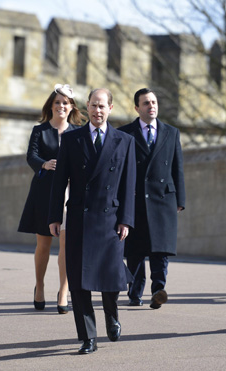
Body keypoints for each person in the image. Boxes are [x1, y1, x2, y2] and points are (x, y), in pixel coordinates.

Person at [48, 88, 137, 354]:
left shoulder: (124, 141)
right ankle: (88, 337)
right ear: (86, 107)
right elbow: (60, 179)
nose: (98, 111)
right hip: (79, 218)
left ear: (110, 108)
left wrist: (126, 220)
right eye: (94, 105)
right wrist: (54, 216)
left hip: (110, 220)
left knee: (110, 277)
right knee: (79, 281)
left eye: (103, 106)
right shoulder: (72, 139)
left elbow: (128, 184)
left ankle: (112, 314)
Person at [18, 84, 82, 314]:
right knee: (43, 245)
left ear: (71, 106)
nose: (61, 106)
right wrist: (43, 164)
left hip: (70, 195)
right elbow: (30, 155)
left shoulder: (78, 132)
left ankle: (63, 292)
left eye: (65, 103)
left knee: (66, 246)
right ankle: (40, 286)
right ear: (51, 106)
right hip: (44, 192)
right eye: (57, 102)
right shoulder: (40, 130)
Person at [119, 88, 185, 309]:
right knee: (136, 251)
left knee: (160, 249)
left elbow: (178, 168)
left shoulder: (171, 132)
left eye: (154, 102)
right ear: (137, 108)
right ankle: (135, 292)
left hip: (163, 198)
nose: (152, 106)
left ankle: (158, 290)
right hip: (135, 199)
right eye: (146, 103)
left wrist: (180, 200)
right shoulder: (125, 133)